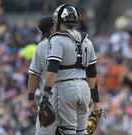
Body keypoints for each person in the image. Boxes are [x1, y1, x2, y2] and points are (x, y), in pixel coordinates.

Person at [39, 4, 99, 135]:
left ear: (58, 20)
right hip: (84, 88)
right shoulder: (87, 41)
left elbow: (53, 70)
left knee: (67, 131)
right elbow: (92, 72)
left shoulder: (57, 39)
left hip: (65, 88)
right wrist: (93, 97)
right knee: (82, 131)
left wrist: (45, 95)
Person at [27, 16, 55, 135]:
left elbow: (34, 75)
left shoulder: (42, 46)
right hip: (75, 92)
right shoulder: (74, 42)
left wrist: (30, 98)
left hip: (51, 96)